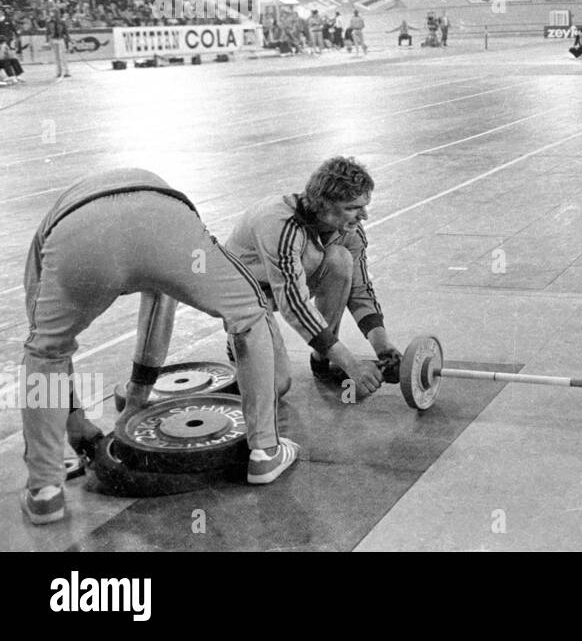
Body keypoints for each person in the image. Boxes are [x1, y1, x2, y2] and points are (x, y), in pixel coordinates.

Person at [20, 169, 299, 524]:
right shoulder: (156, 199)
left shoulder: (47, 235)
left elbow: (47, 348)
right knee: (249, 316)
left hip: (80, 239)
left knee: (46, 351)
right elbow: (162, 299)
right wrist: (135, 398)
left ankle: (44, 491)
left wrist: (77, 423)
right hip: (167, 227)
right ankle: (265, 450)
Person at [225, 156, 396, 395]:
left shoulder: (349, 230)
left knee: (340, 259)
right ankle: (240, 339)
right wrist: (352, 365)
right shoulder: (279, 225)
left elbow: (359, 288)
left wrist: (383, 347)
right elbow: (294, 304)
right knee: (276, 385)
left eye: (364, 206)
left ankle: (322, 359)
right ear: (324, 205)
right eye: (352, 208)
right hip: (244, 295)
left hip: (281, 284)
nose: (364, 216)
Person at [47, 15, 71, 79]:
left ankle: (66, 71)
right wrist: (47, 40)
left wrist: (68, 39)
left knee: (63, 56)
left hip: (60, 39)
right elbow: (47, 32)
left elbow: (66, 31)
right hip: (53, 39)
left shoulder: (61, 22)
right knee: (56, 57)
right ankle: (58, 72)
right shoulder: (49, 22)